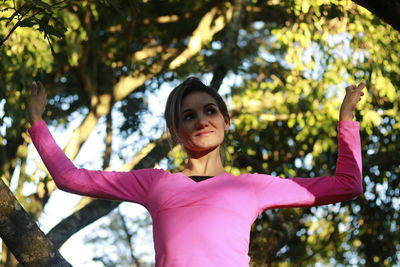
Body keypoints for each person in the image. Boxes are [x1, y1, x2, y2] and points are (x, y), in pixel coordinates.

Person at [27, 77, 365, 267]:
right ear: (176, 132)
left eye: (210, 110)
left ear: (225, 121)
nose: (202, 119)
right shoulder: (154, 183)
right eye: (189, 116)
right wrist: (37, 122)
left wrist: (347, 118)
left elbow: (347, 185)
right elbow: (69, 178)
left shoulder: (252, 187)